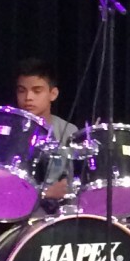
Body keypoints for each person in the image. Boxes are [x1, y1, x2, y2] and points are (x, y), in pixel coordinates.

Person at [14, 56, 78, 207]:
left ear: (53, 94)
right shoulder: (11, 131)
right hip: (18, 212)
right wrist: (45, 193)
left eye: (37, 91)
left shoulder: (69, 131)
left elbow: (74, 184)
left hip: (60, 214)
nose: (28, 97)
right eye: (22, 91)